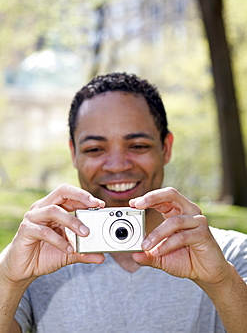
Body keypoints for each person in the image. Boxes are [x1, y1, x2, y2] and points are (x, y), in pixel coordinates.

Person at [0, 72, 246, 333]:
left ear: (166, 147)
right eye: (95, 149)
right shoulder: (35, 258)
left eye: (137, 145)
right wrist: (9, 279)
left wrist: (221, 281)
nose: (117, 165)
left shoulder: (228, 255)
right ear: (74, 153)